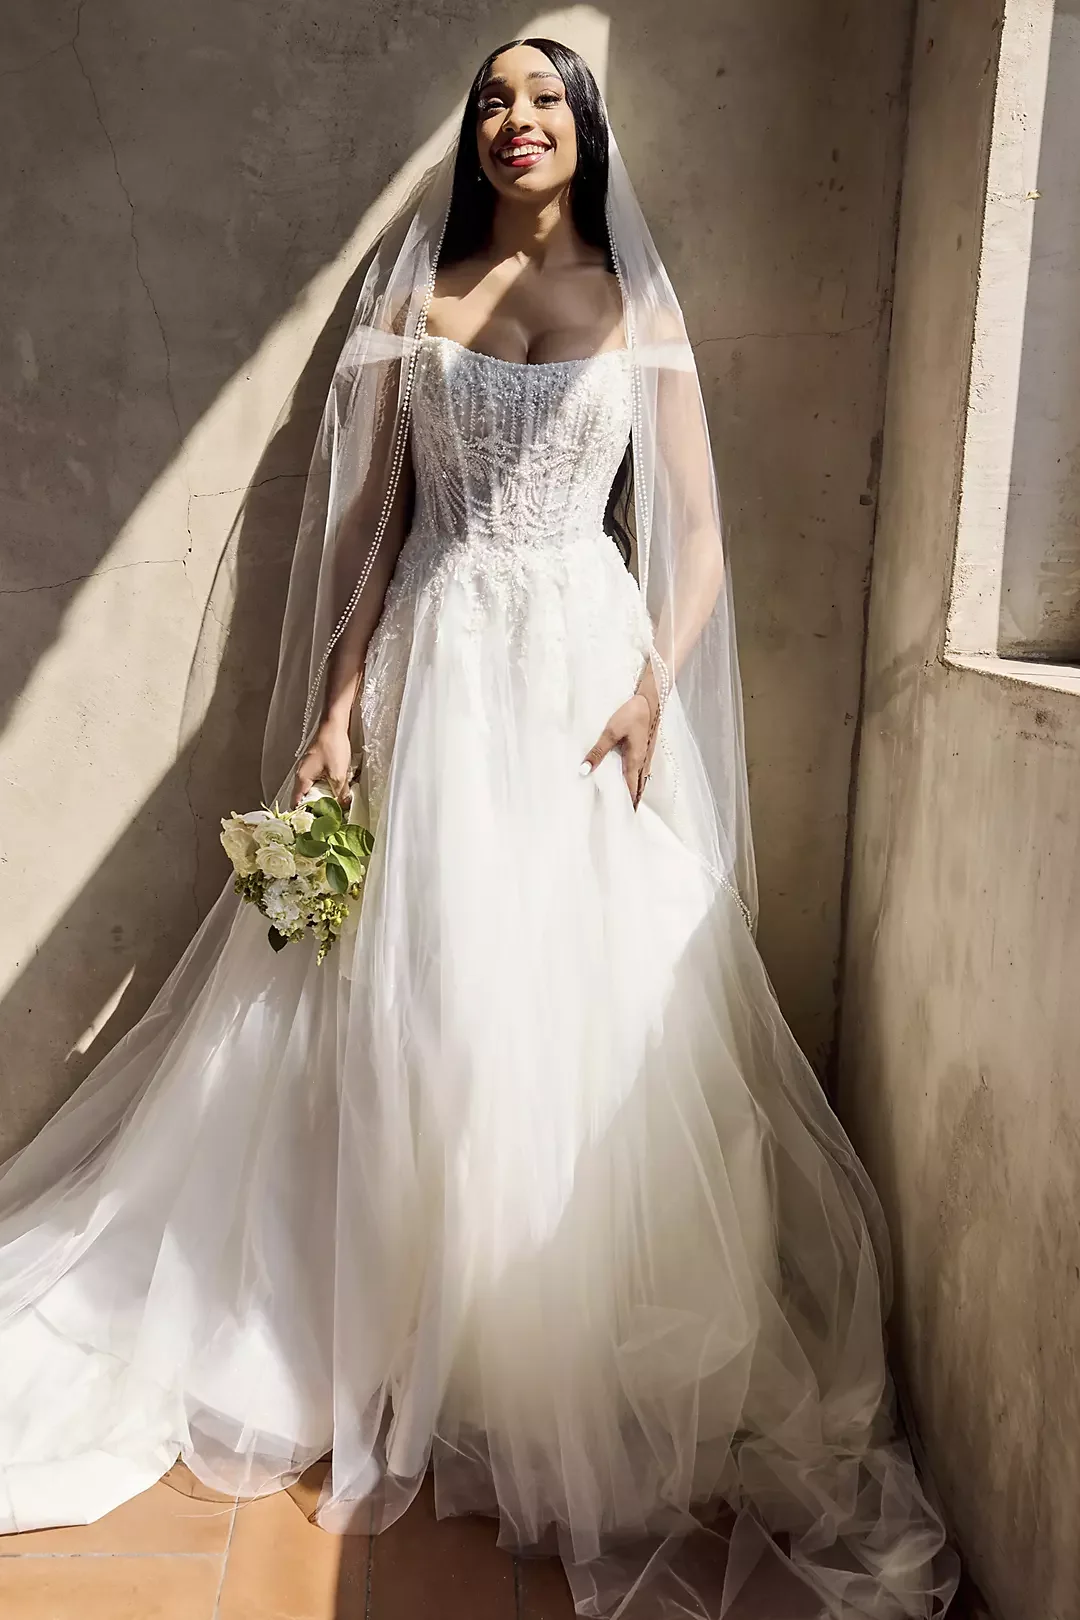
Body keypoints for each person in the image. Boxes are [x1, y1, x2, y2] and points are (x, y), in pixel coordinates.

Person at [0, 37, 958, 1619]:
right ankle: (393, 1323)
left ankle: (536, 1342)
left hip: (583, 682)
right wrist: (327, 711)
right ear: (478, 138)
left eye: (545, 101)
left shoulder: (640, 308)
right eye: (494, 104)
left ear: (586, 133)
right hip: (435, 670)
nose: (517, 122)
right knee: (413, 999)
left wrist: (656, 683)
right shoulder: (414, 298)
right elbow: (376, 524)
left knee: (561, 1003)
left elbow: (700, 537)